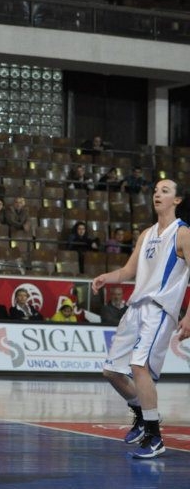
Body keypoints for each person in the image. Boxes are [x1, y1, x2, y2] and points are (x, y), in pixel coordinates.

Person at [92, 179, 190, 459]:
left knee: (139, 366)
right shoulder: (146, 234)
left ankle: (155, 437)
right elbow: (127, 271)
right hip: (136, 307)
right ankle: (141, 412)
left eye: (165, 191)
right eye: (156, 190)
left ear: (177, 200)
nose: (158, 194)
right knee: (111, 371)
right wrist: (106, 278)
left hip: (159, 308)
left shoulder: (183, 233)